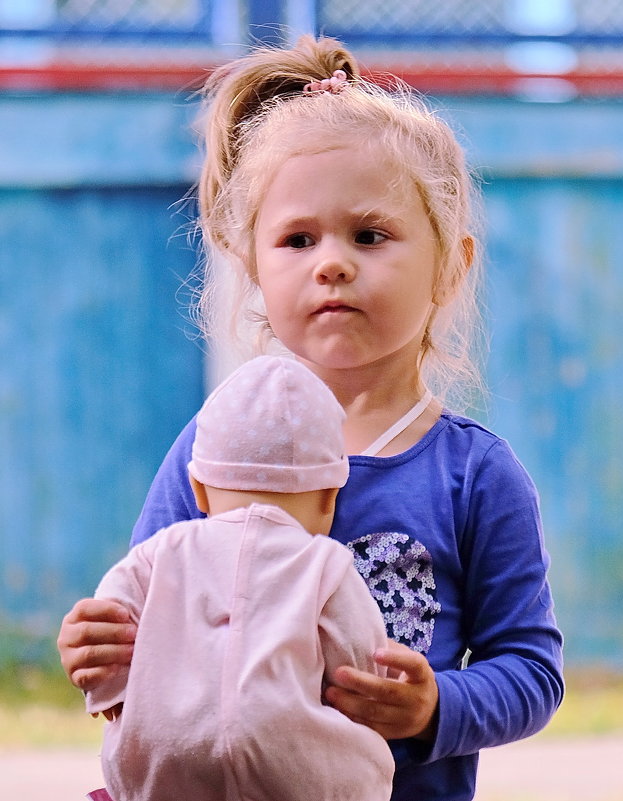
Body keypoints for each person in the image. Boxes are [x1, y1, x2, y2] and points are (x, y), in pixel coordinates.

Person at [58, 34, 564, 801]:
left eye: (370, 234)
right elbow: (147, 623)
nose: (332, 261)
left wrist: (435, 705)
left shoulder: (474, 475)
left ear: (450, 265)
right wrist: (102, 648)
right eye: (298, 239)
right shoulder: (210, 446)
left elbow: (530, 670)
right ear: (255, 266)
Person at [83, 355, 394, 801]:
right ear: (330, 497)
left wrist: (108, 694)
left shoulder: (158, 553)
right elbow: (360, 666)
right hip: (290, 767)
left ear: (198, 488)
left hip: (162, 757)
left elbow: (111, 617)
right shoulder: (326, 564)